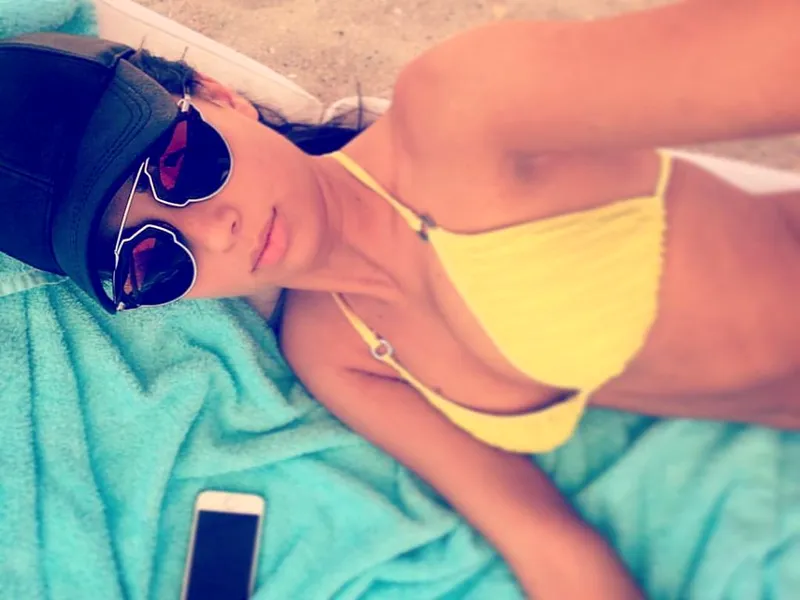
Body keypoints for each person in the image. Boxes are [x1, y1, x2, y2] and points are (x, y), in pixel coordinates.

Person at [1, 0, 798, 597]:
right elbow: (548, 545)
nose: (215, 230)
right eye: (146, 259)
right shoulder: (334, 352)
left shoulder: (463, 111)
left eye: (181, 165)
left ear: (219, 94)